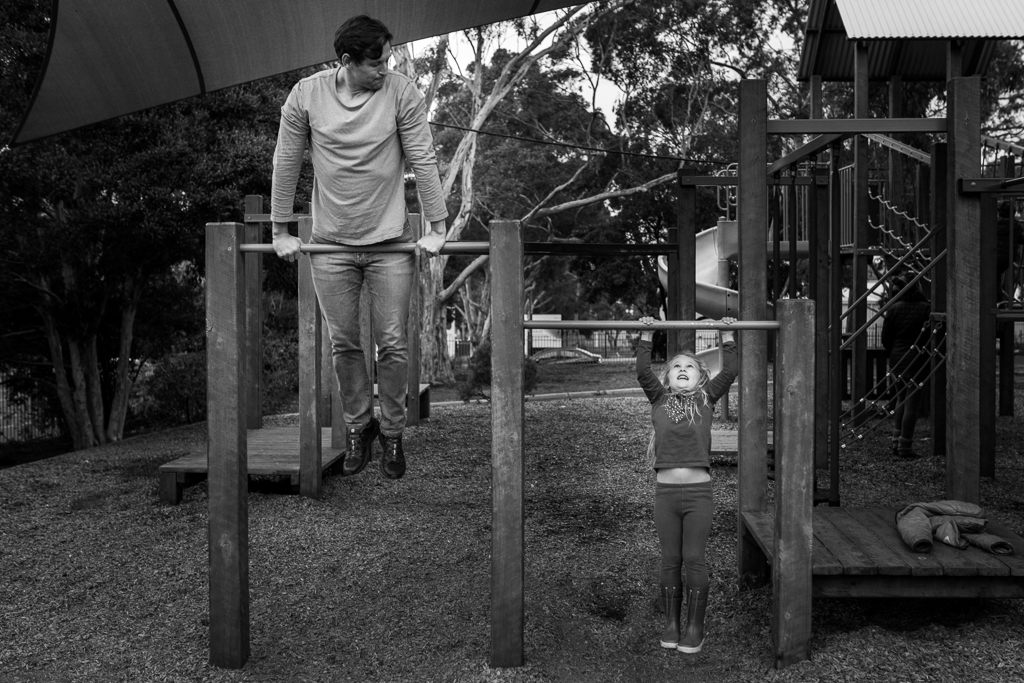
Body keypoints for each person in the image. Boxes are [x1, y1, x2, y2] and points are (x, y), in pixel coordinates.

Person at [270, 15, 449, 480]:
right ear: (346, 61)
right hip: (330, 245)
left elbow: (422, 156)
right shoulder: (306, 96)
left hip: (390, 242)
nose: (385, 70)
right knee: (344, 343)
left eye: (388, 60)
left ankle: (392, 433)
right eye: (377, 63)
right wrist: (279, 230)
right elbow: (286, 161)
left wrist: (438, 225)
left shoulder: (401, 92)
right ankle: (358, 426)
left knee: (392, 344)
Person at [636, 316, 738, 654]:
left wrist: (726, 333)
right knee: (670, 559)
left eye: (689, 367)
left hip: (698, 495)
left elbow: (731, 369)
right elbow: (641, 369)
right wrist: (648, 334)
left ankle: (695, 627)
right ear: (667, 378)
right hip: (666, 495)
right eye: (676, 366)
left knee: (694, 558)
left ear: (700, 376)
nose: (682, 368)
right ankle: (672, 623)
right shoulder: (659, 399)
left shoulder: (706, 398)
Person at [880, 276, 931, 459]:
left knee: (901, 399)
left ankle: (896, 440)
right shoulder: (927, 308)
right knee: (912, 405)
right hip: (917, 358)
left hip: (897, 360)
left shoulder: (893, 309)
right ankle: (905, 446)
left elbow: (885, 339)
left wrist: (895, 350)